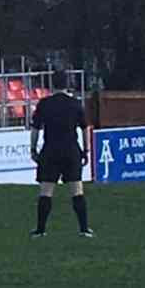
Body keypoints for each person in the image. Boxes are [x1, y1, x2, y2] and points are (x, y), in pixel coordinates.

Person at [30, 70, 93, 238]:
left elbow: (35, 128)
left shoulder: (44, 104)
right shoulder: (75, 103)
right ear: (68, 84)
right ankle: (84, 229)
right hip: (71, 150)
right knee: (77, 190)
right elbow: (86, 128)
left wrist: (33, 149)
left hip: (50, 150)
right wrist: (86, 150)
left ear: (52, 84)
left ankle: (40, 230)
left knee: (46, 190)